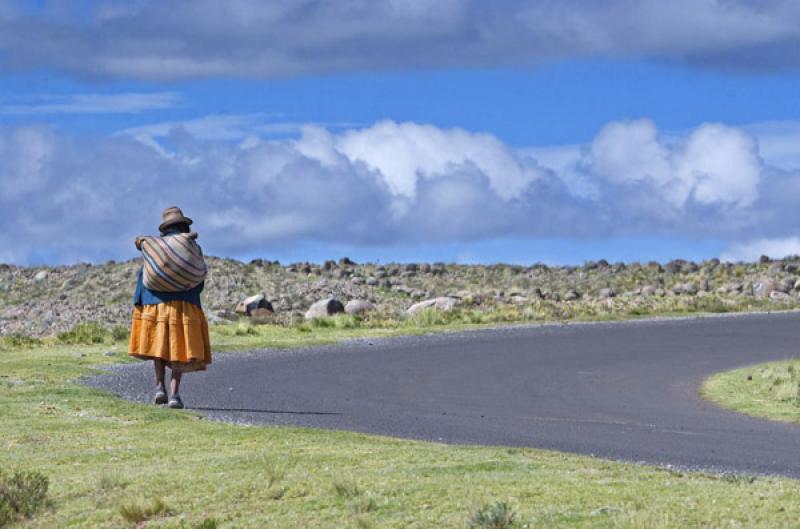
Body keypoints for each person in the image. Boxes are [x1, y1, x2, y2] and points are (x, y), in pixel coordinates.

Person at [128, 206, 211, 409]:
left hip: (155, 305)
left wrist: (138, 302)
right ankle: (175, 395)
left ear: (165, 229)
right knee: (178, 351)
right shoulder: (191, 248)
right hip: (184, 307)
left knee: (159, 349)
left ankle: (159, 388)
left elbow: (143, 278)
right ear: (184, 226)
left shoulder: (156, 249)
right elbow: (199, 281)